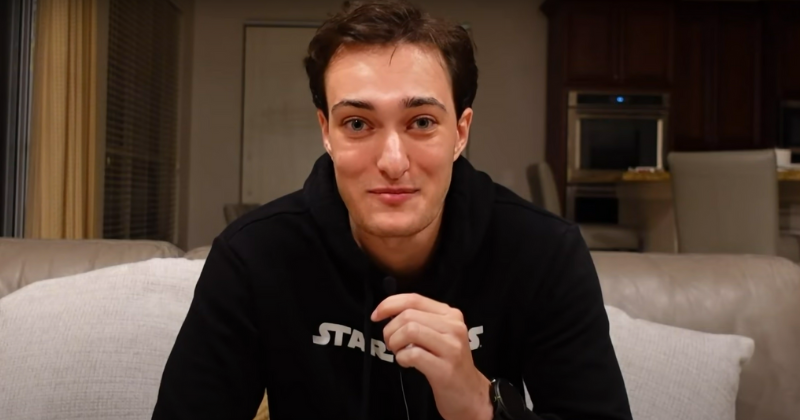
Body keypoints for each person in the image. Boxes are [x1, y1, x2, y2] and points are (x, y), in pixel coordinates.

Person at [151, 1, 632, 419]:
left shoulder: (543, 252)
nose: (393, 162)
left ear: (460, 133)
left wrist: (479, 404)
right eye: (358, 123)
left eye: (421, 122)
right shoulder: (253, 256)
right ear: (326, 132)